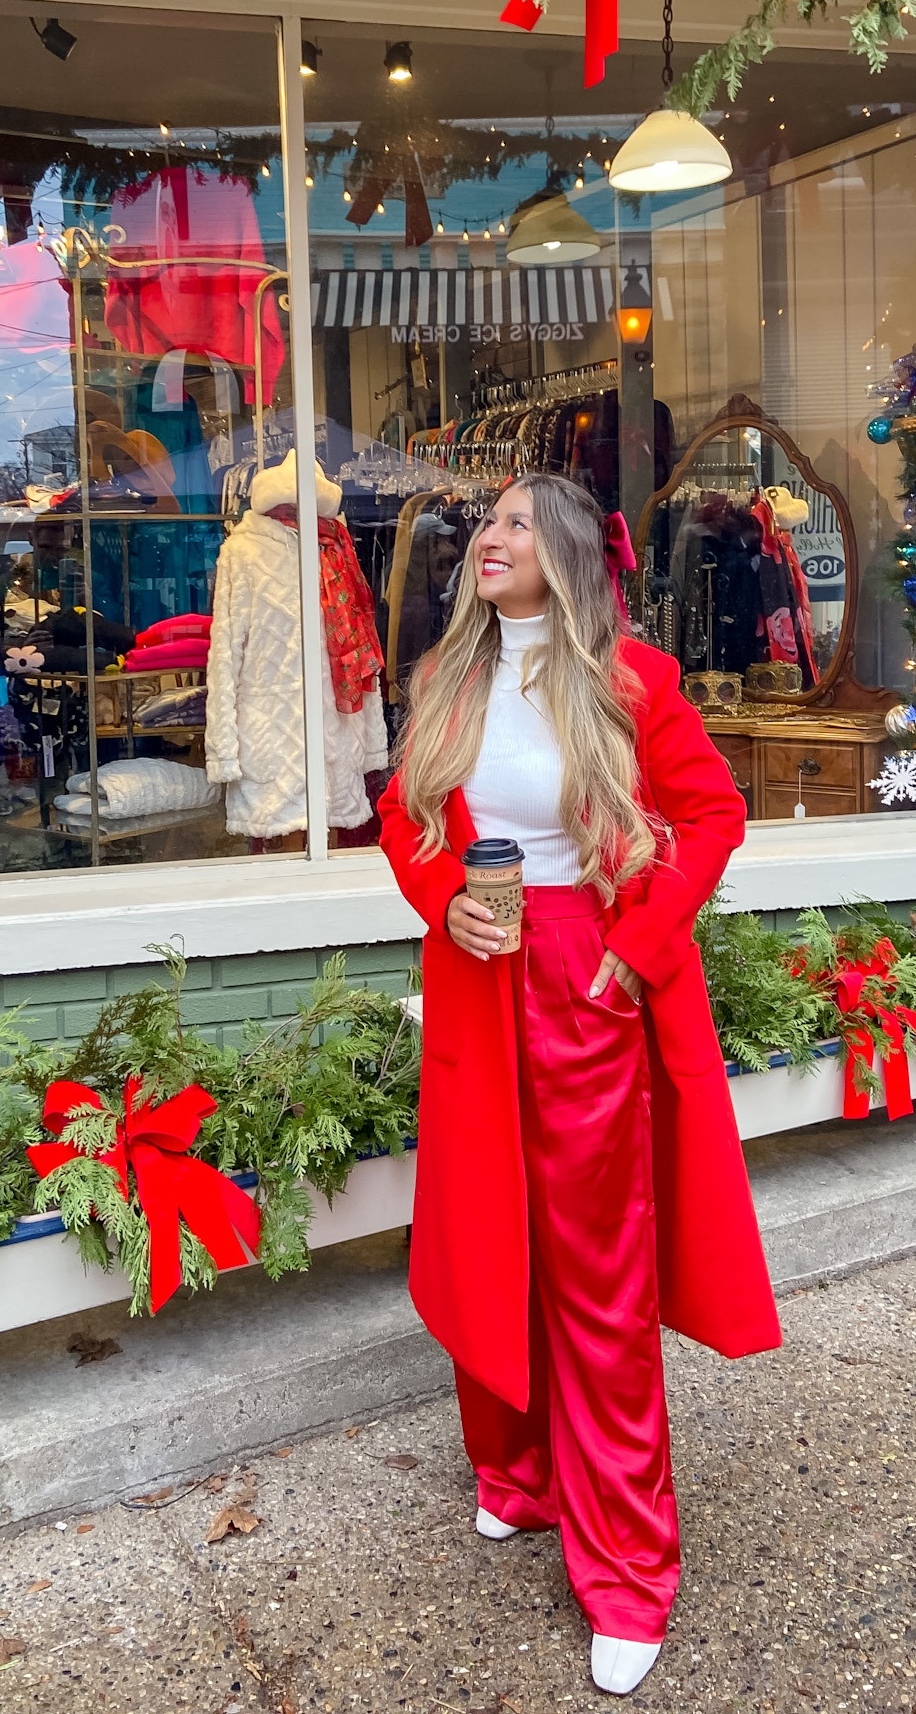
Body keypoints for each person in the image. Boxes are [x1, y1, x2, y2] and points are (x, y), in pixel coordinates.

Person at [377, 474, 781, 1698]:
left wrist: (633, 948)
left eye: (511, 523)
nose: (484, 538)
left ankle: (627, 1568)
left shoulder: (633, 680)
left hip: (583, 975)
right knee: (485, 1233)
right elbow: (406, 817)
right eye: (481, 525)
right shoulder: (446, 676)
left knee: (597, 1276)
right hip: (476, 971)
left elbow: (711, 814)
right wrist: (445, 899)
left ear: (563, 552)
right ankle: (516, 1473)